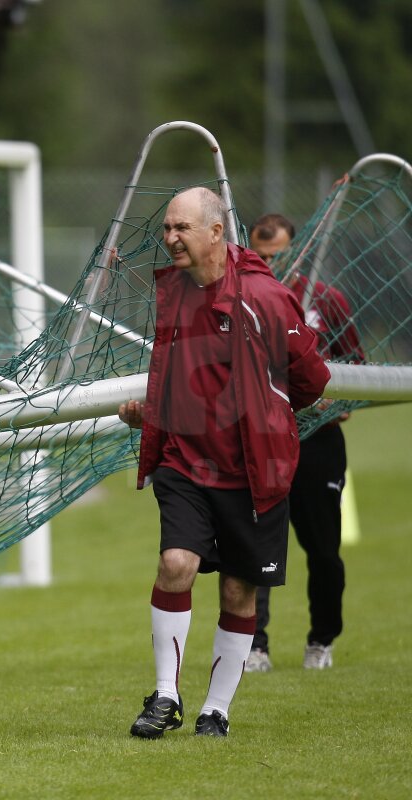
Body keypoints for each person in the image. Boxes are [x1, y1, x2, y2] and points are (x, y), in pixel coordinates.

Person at [118, 188, 330, 738]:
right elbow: (184, 374)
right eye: (167, 228)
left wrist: (265, 417)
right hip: (186, 463)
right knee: (176, 565)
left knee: (239, 591)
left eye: (180, 228)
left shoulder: (264, 296)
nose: (169, 239)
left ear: (216, 232)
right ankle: (164, 696)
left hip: (254, 473)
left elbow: (311, 381)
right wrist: (152, 411)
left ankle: (216, 708)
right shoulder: (174, 292)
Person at [245, 213, 363, 672]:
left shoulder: (326, 301)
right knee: (254, 547)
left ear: (299, 252)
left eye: (280, 256)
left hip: (318, 444)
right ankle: (255, 645)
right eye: (262, 256)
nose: (272, 264)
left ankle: (322, 639)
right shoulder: (242, 298)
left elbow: (357, 366)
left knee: (324, 551)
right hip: (263, 443)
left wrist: (340, 399)